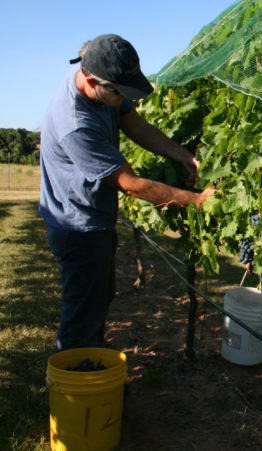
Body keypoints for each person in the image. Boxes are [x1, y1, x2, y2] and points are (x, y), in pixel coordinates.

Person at [39, 34, 216, 351]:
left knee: (97, 302)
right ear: (93, 80)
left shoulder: (102, 88)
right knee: (81, 315)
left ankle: (90, 367)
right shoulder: (75, 123)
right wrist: (197, 201)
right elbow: (130, 184)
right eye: (119, 91)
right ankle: (78, 388)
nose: (124, 97)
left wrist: (183, 155)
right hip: (78, 227)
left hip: (95, 218)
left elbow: (136, 127)